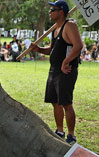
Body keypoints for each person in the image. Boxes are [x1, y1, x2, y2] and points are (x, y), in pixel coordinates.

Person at [31, 0, 82, 143]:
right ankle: (59, 131)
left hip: (66, 71)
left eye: (53, 9)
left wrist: (66, 62)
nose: (50, 12)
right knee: (55, 102)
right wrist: (39, 49)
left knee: (66, 103)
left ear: (61, 12)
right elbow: (52, 49)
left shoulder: (69, 26)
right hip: (54, 70)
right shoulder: (55, 29)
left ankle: (71, 135)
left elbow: (78, 46)